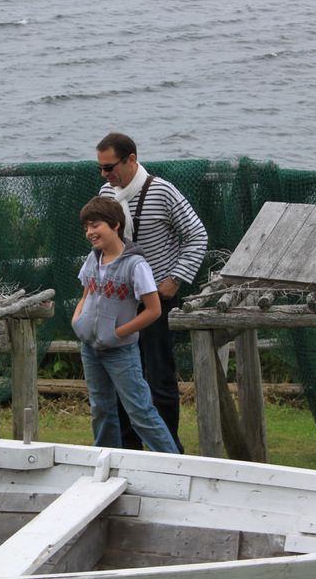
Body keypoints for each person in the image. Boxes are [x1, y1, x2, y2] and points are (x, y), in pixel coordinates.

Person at [95, 132, 208, 453]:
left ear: (131, 159)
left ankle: (169, 449)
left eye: (110, 167)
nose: (105, 175)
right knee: (121, 374)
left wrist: (175, 280)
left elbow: (197, 235)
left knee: (159, 378)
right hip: (119, 299)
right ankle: (129, 449)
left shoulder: (162, 191)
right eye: (101, 169)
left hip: (157, 299)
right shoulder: (106, 193)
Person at [71, 197, 179, 453]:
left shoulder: (135, 265)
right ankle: (106, 462)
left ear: (115, 225)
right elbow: (86, 293)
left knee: (140, 412)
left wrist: (118, 333)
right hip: (91, 349)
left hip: (121, 352)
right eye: (86, 227)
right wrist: (78, 320)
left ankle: (174, 465)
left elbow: (153, 310)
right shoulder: (92, 259)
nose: (90, 232)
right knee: (101, 409)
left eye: (95, 225)